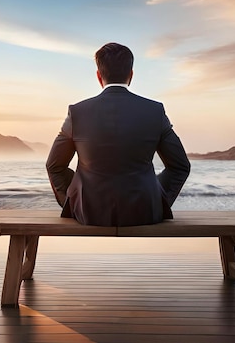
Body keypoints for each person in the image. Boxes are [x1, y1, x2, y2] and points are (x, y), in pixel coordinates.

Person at [46, 42, 190, 227]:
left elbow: (54, 166)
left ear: (99, 76)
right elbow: (180, 166)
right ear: (131, 75)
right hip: (145, 212)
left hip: (89, 214)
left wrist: (73, 201)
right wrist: (156, 199)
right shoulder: (154, 111)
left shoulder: (77, 113)